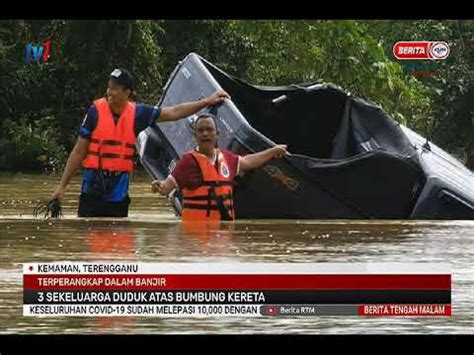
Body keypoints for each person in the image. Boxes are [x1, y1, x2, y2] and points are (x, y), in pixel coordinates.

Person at [51, 68, 230, 217]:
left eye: (114, 88)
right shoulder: (94, 112)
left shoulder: (138, 114)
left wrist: (207, 101)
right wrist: (61, 188)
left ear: (126, 92)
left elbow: (174, 112)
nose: (109, 92)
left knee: (118, 249)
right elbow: (78, 152)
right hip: (91, 193)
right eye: (108, 87)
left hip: (118, 196)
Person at [151, 113, 287, 221]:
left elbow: (248, 162)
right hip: (195, 238)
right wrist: (159, 186)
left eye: (209, 130)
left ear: (217, 134)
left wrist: (273, 151)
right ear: (195, 135)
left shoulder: (227, 158)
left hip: (223, 236)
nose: (205, 134)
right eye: (201, 130)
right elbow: (167, 187)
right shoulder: (188, 162)